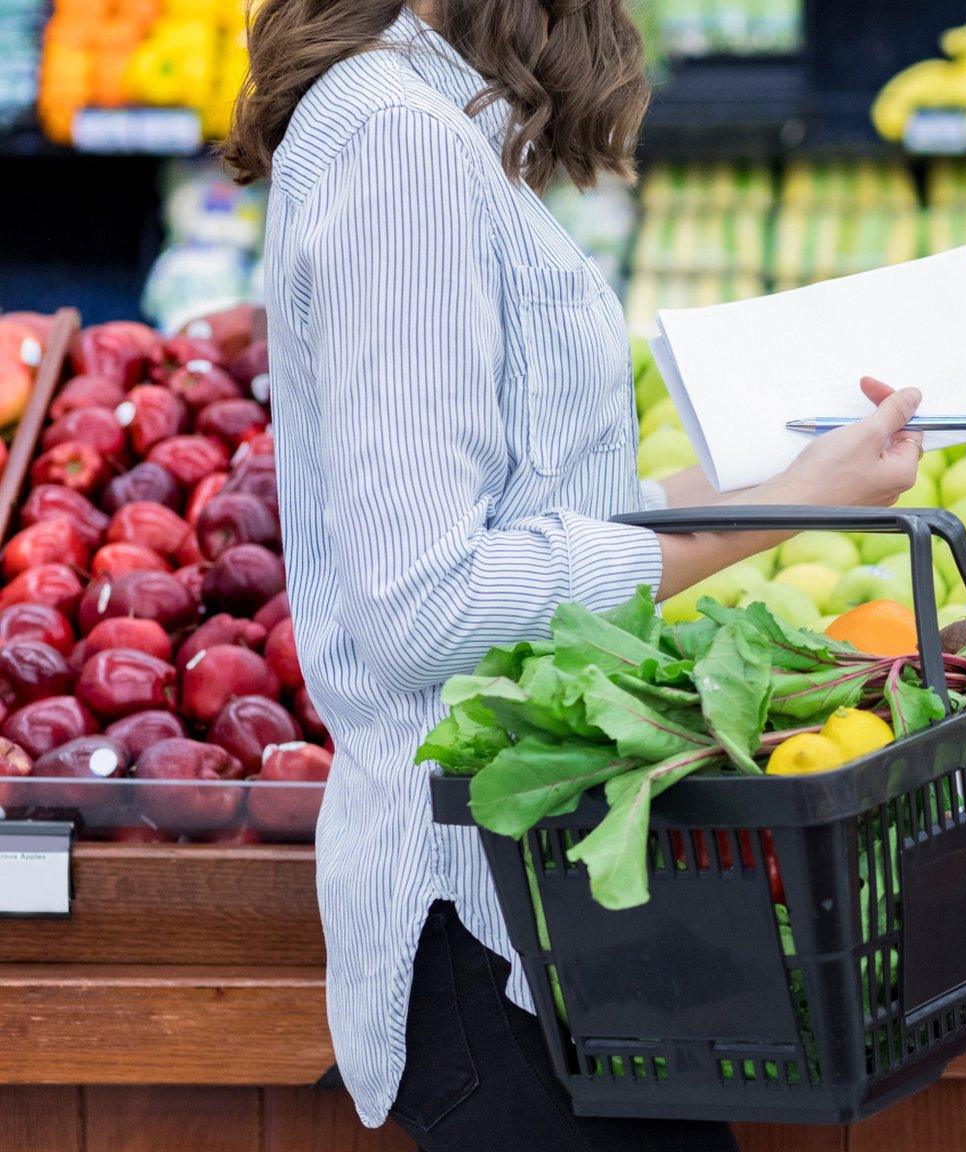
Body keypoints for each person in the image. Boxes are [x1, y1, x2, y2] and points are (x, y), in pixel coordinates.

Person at [222, 3, 923, 1147]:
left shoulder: (428, 120)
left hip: (555, 912)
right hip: (483, 921)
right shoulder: (400, 146)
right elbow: (424, 604)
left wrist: (788, 484)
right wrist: (761, 523)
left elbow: (526, 526)